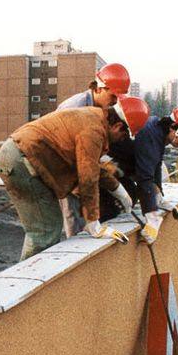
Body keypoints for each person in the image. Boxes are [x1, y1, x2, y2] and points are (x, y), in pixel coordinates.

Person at [0, 104, 141, 261]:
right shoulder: (94, 131)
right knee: (45, 230)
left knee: (46, 227)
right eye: (123, 136)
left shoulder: (95, 118)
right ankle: (26, 282)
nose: (121, 141)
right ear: (118, 126)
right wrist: (93, 222)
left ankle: (33, 278)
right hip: (21, 160)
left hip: (18, 155)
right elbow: (88, 178)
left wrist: (119, 191)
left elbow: (92, 167)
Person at [106, 103, 178, 243]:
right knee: (113, 204)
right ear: (175, 129)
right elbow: (144, 177)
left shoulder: (158, 131)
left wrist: (159, 196)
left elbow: (155, 166)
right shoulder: (151, 135)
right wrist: (152, 216)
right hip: (104, 169)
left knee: (131, 196)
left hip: (118, 170)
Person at [55, 63, 132, 235]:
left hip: (77, 165)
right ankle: (72, 253)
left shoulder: (99, 109)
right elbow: (66, 145)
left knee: (81, 213)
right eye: (113, 96)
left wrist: (103, 161)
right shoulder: (76, 106)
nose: (114, 102)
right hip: (63, 165)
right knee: (72, 217)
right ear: (99, 89)